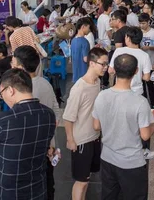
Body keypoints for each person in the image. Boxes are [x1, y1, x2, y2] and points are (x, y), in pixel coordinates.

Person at [0, 69, 56, 200]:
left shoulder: (3, 120)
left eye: (2, 93)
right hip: (37, 189)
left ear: (10, 90)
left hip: (8, 191)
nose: (2, 98)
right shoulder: (48, 114)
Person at [92, 54, 154, 200]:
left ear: (114, 70)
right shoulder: (140, 102)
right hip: (131, 163)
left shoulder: (102, 96)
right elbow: (145, 135)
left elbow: (96, 126)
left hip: (107, 159)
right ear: (136, 71)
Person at [11, 45, 58, 200]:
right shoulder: (46, 83)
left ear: (21, 67)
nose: (11, 67)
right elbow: (55, 114)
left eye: (14, 64)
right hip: (48, 144)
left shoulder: (24, 91)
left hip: (31, 150)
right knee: (48, 183)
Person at [63, 47, 108, 200]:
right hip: (81, 140)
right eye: (103, 64)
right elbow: (68, 117)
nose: (106, 67)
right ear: (92, 63)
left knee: (87, 178)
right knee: (81, 182)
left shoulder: (97, 82)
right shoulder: (79, 88)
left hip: (94, 136)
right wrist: (70, 139)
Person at [108, 27, 154, 159]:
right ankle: (142, 150)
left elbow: (110, 71)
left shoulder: (119, 51)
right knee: (139, 122)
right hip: (137, 94)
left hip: (119, 92)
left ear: (128, 39)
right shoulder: (144, 55)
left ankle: (119, 147)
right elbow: (147, 78)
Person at [71, 18, 91, 83]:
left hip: (75, 74)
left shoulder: (73, 40)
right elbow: (85, 59)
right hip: (84, 74)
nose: (89, 30)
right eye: (88, 27)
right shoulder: (85, 42)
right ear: (83, 27)